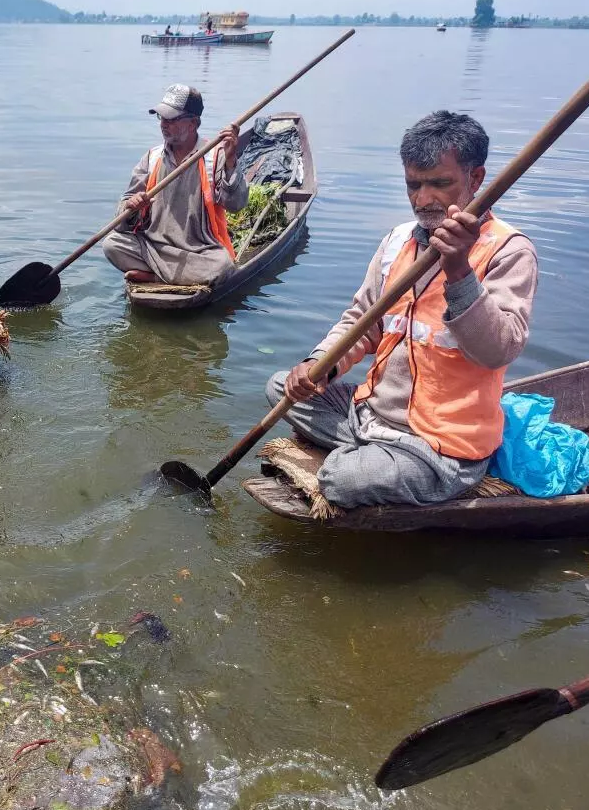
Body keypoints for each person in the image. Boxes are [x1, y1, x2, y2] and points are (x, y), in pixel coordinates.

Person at [267, 111, 538, 508]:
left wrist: (459, 270)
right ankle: (368, 452)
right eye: (414, 184)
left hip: (442, 444)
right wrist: (319, 365)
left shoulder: (509, 250)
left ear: (475, 180)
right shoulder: (398, 241)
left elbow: (499, 350)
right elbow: (362, 323)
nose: (422, 199)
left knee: (339, 480)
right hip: (373, 414)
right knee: (280, 388)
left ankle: (366, 464)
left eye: (439, 184)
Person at [102, 84, 247, 286]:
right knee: (111, 245)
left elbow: (236, 204)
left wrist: (231, 161)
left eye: (172, 119)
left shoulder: (215, 156)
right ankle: (176, 277)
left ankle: (154, 276)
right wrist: (131, 206)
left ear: (194, 123)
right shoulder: (152, 157)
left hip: (200, 251)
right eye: (161, 118)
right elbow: (121, 219)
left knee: (222, 266)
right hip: (153, 246)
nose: (164, 124)